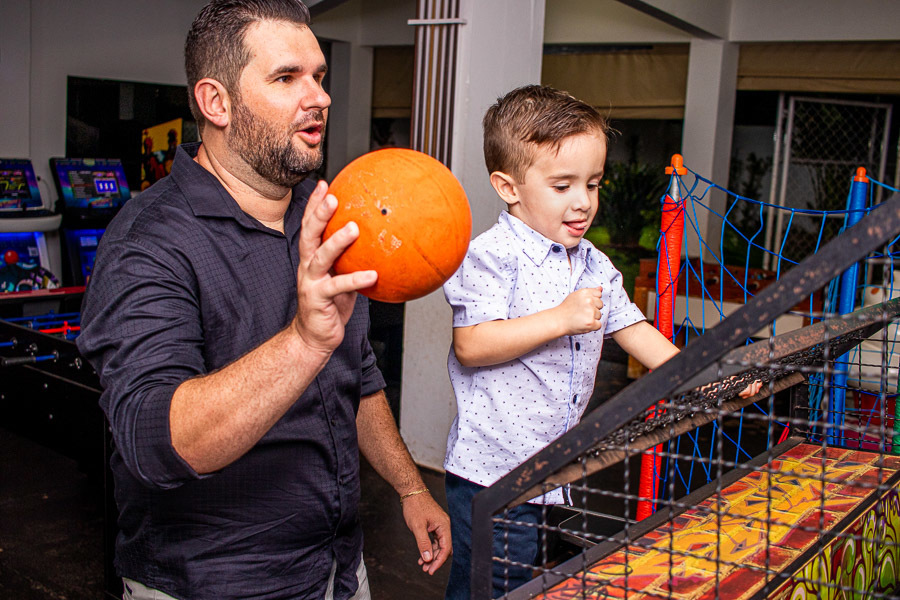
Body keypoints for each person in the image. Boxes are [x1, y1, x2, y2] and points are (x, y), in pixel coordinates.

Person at [76, 1, 450, 599]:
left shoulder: (323, 217)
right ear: (216, 102)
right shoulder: (148, 242)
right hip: (215, 583)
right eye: (286, 77)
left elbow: (360, 378)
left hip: (337, 570)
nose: (320, 97)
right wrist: (304, 342)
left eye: (319, 76)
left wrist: (409, 486)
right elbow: (157, 442)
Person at [440, 85, 762, 599]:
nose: (583, 202)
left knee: (534, 588)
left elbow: (639, 335)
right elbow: (472, 346)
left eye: (592, 184)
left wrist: (712, 379)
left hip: (554, 469)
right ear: (508, 187)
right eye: (562, 184)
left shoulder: (592, 262)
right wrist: (561, 318)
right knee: (490, 590)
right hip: (493, 475)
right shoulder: (491, 256)